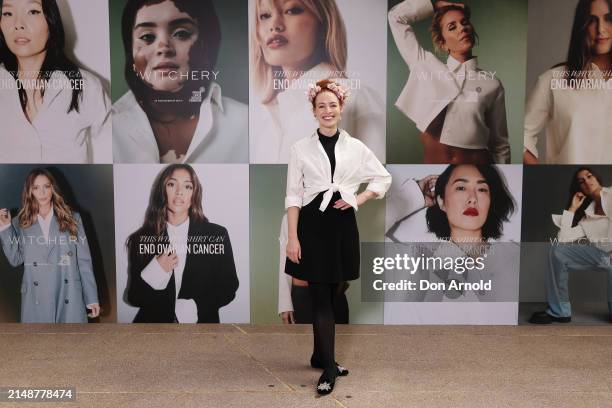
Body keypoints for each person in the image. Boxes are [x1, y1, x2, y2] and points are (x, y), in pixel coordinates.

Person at [284, 79, 391, 395]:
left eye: (333, 105)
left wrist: (358, 199)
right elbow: (292, 196)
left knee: (332, 294)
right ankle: (329, 368)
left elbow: (382, 178)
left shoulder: (355, 148)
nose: (327, 111)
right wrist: (293, 237)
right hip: (312, 225)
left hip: (342, 225)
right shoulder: (300, 148)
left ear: (341, 109)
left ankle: (320, 355)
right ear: (314, 111)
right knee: (320, 298)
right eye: (321, 106)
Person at [250, 0, 385, 163]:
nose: (274, 25)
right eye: (264, 15)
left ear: (324, 23)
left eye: (291, 10)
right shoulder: (266, 126)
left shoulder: (356, 98)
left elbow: (378, 182)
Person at [113, 0, 248, 163]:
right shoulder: (109, 127)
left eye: (181, 33)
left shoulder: (246, 123)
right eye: (147, 37)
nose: (163, 47)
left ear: (205, 44)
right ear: (131, 52)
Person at [385, 164, 519, 324]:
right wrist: (412, 195)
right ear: (441, 201)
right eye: (461, 188)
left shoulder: (514, 257)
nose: (472, 198)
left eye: (482, 189)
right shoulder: (417, 263)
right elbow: (366, 227)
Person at [388, 0, 510, 164]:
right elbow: (396, 17)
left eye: (465, 23)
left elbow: (500, 146)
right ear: (442, 43)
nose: (462, 28)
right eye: (452, 27)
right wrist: (436, 4)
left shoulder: (492, 84)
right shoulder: (424, 66)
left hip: (477, 167)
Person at [125, 164, 239, 323]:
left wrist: (195, 307)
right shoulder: (140, 239)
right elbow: (134, 298)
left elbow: (229, 286)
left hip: (202, 332)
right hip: (155, 334)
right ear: (162, 190)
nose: (179, 192)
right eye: (172, 184)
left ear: (195, 193)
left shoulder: (216, 235)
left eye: (187, 186)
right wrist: (155, 270)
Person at [0, 0, 111, 163]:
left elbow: (112, 149)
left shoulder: (85, 86)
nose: (18, 24)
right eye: (7, 13)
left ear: (51, 20)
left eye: (32, 12)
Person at [0, 168, 100, 323]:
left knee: (71, 345)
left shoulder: (73, 219)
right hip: (36, 299)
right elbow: (15, 259)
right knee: (39, 346)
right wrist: (6, 229)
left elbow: (84, 261)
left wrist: (91, 298)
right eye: (36, 187)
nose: (42, 192)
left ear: (53, 188)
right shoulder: (19, 223)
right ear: (30, 191)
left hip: (68, 295)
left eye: (46, 186)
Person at [523, 0, 612, 164]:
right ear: (582, 26)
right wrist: (538, 173)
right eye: (592, 20)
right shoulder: (552, 80)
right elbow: (522, 135)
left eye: (609, 18)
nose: (601, 29)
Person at [530, 167, 612, 324]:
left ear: (597, 178)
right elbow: (563, 239)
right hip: (602, 255)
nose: (587, 182)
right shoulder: (587, 217)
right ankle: (560, 311)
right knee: (558, 251)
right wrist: (573, 208)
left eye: (589, 176)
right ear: (580, 189)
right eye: (581, 182)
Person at [277, 213, 348, 324]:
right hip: (303, 294)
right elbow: (284, 259)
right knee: (303, 340)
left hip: (333, 291)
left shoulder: (337, 212)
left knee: (340, 339)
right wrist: (285, 304)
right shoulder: (290, 217)